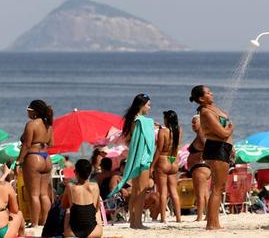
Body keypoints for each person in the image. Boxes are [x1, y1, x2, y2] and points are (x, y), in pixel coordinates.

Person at [189, 85, 233, 230]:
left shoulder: (213, 109)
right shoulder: (206, 112)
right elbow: (223, 133)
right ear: (201, 98)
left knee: (219, 188)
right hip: (216, 148)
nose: (211, 93)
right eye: (208, 93)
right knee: (217, 188)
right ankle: (212, 224)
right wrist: (231, 128)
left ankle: (214, 223)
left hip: (222, 148)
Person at [108, 93, 155, 229]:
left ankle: (133, 221)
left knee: (135, 191)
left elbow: (129, 141)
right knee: (141, 191)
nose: (150, 107)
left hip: (135, 157)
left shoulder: (133, 120)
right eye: (148, 104)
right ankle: (137, 222)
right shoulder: (140, 121)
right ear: (141, 105)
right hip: (142, 158)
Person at [15, 99, 54, 227]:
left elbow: (26, 145)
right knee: (44, 193)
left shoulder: (31, 124)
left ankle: (35, 223)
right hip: (46, 158)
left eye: (29, 111)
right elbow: (51, 144)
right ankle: (46, 222)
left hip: (33, 157)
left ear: (34, 111)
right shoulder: (49, 125)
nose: (27, 113)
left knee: (34, 194)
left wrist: (18, 162)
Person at [151, 110, 183, 223]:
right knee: (174, 192)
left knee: (163, 192)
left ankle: (163, 218)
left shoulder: (162, 132)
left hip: (163, 160)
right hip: (173, 161)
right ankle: (179, 218)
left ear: (167, 119)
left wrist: (152, 166)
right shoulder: (179, 130)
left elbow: (159, 149)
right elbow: (176, 146)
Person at [62, 159, 102, 238]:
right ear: (90, 173)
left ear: (76, 172)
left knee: (68, 210)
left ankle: (66, 231)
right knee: (97, 210)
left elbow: (63, 205)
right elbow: (97, 208)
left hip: (72, 233)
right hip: (93, 232)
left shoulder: (69, 187)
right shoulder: (95, 186)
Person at [186, 114, 211, 222]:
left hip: (199, 168)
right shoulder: (203, 133)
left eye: (194, 122)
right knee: (205, 194)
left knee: (200, 194)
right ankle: (207, 216)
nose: (192, 125)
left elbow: (207, 147)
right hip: (204, 168)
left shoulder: (201, 133)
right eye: (192, 122)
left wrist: (203, 157)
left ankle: (199, 217)